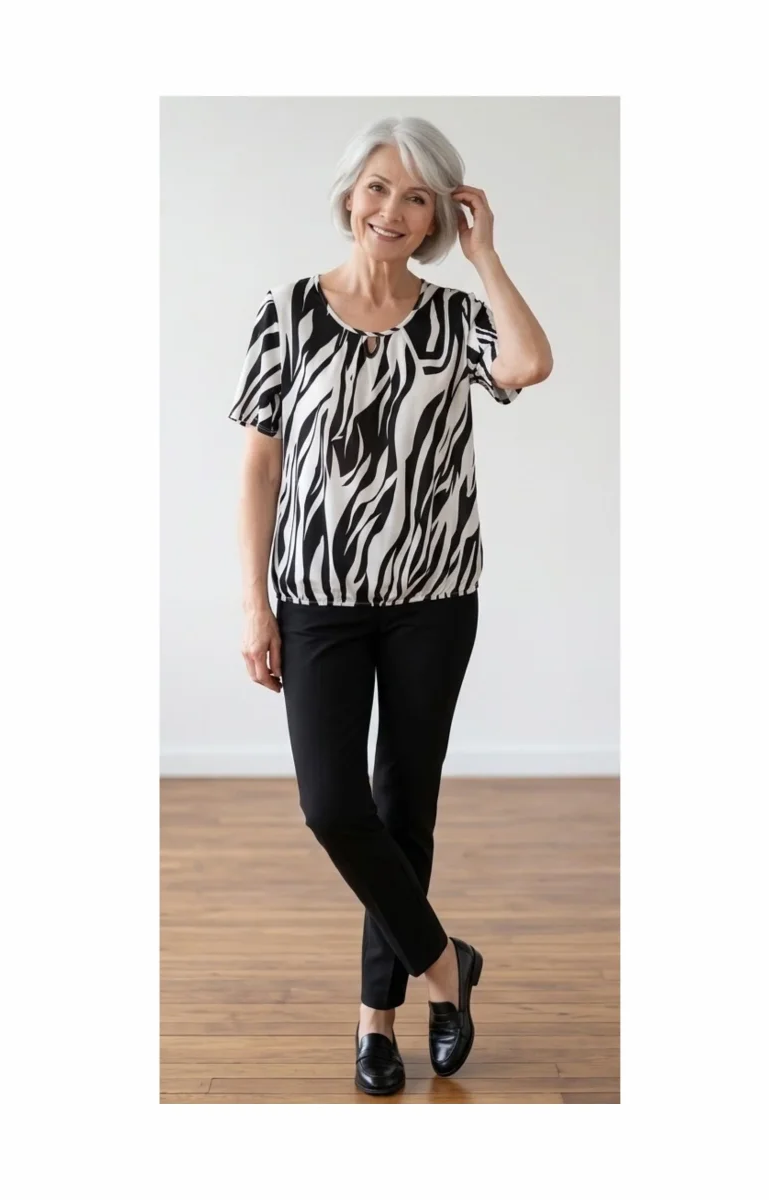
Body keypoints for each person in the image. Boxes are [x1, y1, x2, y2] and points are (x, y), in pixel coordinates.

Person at [227, 115, 553, 1096]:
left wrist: (486, 256)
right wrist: (254, 605)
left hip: (434, 597)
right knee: (334, 806)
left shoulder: (454, 319)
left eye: (418, 197)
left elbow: (529, 364)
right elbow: (259, 468)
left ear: (439, 215)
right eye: (378, 187)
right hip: (317, 597)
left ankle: (378, 1022)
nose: (393, 210)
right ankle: (449, 969)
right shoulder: (288, 312)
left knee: (405, 808)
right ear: (348, 195)